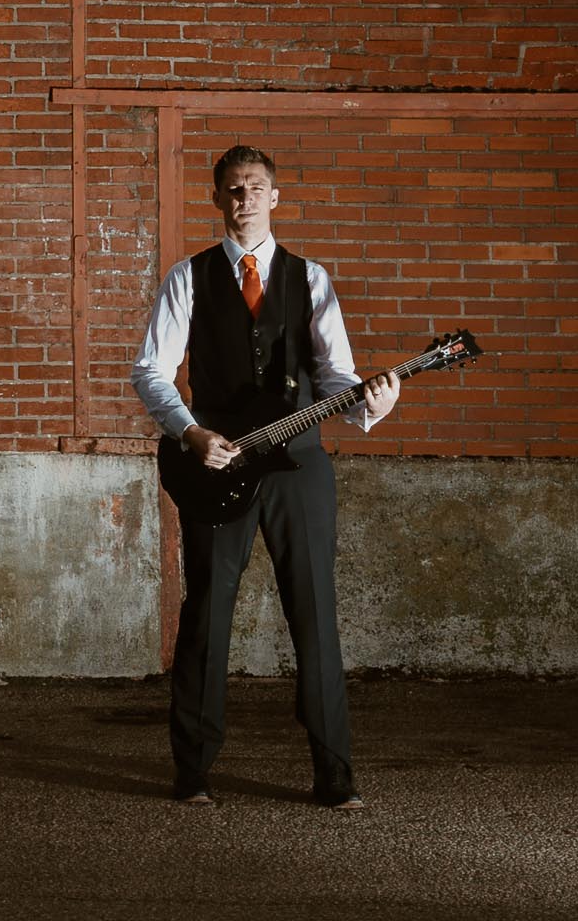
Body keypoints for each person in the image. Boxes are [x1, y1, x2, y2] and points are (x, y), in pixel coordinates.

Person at [131, 143, 400, 809]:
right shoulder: (186, 277)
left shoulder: (311, 279)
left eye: (255, 188)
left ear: (275, 197)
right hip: (217, 461)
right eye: (232, 189)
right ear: (217, 198)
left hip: (299, 465)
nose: (244, 199)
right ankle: (192, 771)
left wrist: (374, 406)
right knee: (207, 616)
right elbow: (151, 372)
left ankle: (334, 775)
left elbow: (337, 377)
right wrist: (191, 434)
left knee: (315, 614)